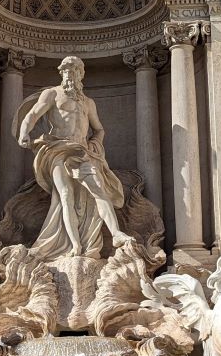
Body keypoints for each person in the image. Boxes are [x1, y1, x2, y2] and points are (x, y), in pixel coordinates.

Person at [15, 55, 133, 259]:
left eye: (75, 70)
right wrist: (24, 132)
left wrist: (95, 144)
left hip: (81, 151)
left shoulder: (88, 103)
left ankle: (116, 234)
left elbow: (99, 129)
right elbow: (32, 115)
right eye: (67, 70)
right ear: (61, 73)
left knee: (98, 188)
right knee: (65, 195)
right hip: (57, 149)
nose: (70, 73)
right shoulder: (52, 94)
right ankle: (75, 246)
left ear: (81, 74)